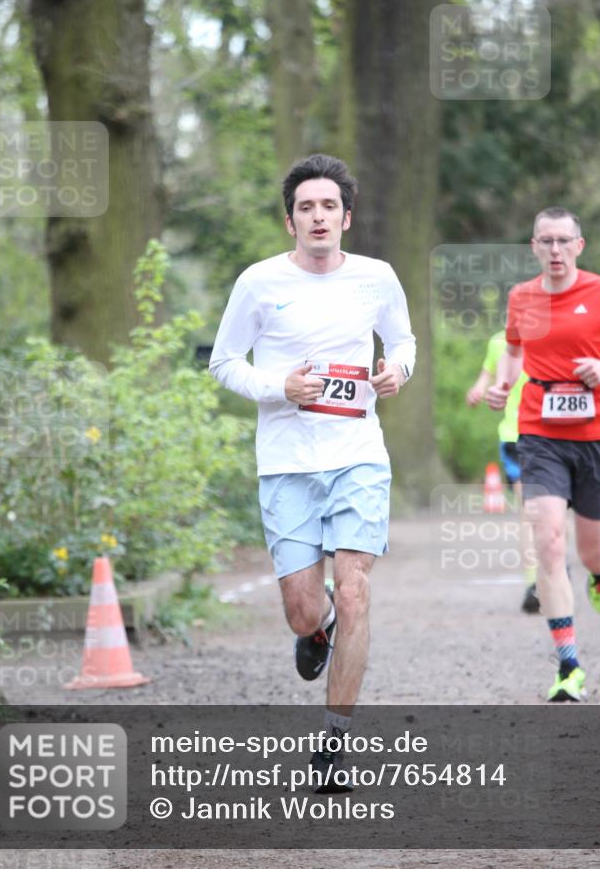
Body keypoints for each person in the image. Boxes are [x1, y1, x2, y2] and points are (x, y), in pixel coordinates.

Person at [209, 154, 415, 787]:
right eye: (306, 207)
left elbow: (402, 343)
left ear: (346, 218)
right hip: (288, 462)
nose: (318, 216)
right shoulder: (259, 283)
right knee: (303, 609)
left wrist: (396, 371)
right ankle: (315, 626)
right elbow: (224, 362)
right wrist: (280, 387)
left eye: (329, 206)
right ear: (290, 221)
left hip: (358, 454)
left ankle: (334, 744)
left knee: (355, 591)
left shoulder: (377, 278)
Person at [487, 207, 600, 701]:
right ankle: (569, 665)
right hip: (540, 433)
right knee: (547, 540)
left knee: (593, 551)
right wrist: (503, 384)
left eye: (564, 240)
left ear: (579, 246)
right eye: (546, 241)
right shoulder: (521, 297)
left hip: (599, 434)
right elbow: (513, 351)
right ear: (534, 247)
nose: (555, 249)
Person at [466, 330, 539, 613]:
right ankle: (534, 583)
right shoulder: (498, 342)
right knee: (529, 509)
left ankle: (555, 566)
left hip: (552, 437)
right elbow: (485, 379)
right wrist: (477, 391)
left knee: (554, 510)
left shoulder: (553, 335)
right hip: (514, 437)